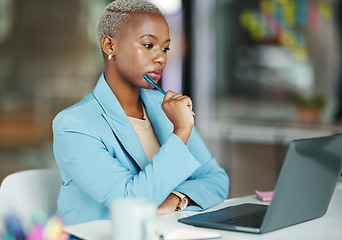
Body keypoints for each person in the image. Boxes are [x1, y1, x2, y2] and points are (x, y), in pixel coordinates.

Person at [53, 0, 229, 226]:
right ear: (109, 45)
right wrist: (182, 130)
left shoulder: (164, 108)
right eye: (148, 45)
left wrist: (177, 198)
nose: (161, 58)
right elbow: (131, 201)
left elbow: (217, 180)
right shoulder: (74, 125)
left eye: (165, 48)